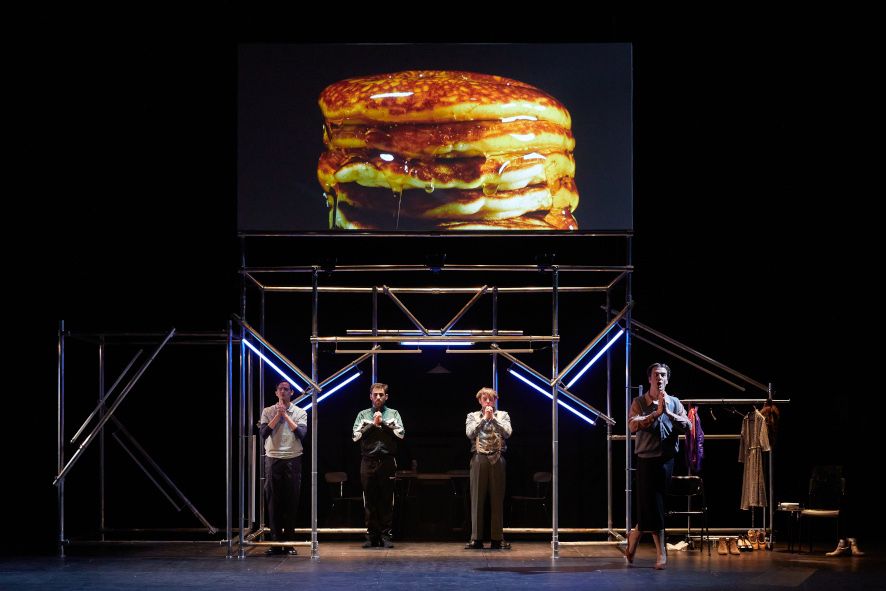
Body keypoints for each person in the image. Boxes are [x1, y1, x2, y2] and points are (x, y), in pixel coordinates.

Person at [624, 363, 691, 570]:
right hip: (646, 459)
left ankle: (635, 534)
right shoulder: (639, 402)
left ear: (667, 380)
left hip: (666, 460)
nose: (659, 378)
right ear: (650, 379)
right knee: (652, 505)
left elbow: (688, 425)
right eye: (656, 375)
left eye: (663, 375)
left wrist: (668, 414)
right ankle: (661, 553)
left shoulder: (674, 402)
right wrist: (655, 413)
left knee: (657, 504)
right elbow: (632, 424)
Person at [352, 382, 405, 548]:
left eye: (381, 394)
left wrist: (382, 424)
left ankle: (386, 536)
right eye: (375, 394)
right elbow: (355, 436)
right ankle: (372, 537)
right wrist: (373, 425)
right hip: (368, 461)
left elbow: (400, 434)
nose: (378, 397)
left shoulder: (393, 414)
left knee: (386, 499)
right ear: (370, 396)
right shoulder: (362, 415)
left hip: (387, 461)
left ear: (386, 397)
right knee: (369, 499)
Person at [259, 380, 308, 555]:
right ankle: (274, 543)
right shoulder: (267, 411)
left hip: (293, 459)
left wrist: (285, 415)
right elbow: (263, 433)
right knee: (273, 503)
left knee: (291, 502)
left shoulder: (300, 412)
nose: (282, 392)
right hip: (273, 459)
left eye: (286, 389)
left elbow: (302, 434)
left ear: (291, 393)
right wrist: (277, 416)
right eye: (280, 389)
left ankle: (289, 543)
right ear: (276, 392)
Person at [465, 387, 513, 550]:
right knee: (477, 499)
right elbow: (470, 433)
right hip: (479, 458)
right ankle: (476, 539)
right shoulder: (473, 416)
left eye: (490, 399)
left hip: (497, 458)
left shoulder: (503, 415)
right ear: (479, 401)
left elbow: (507, 433)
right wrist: (485, 419)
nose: (487, 402)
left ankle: (497, 539)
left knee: (497, 499)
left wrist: (493, 419)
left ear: (495, 401)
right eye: (484, 399)